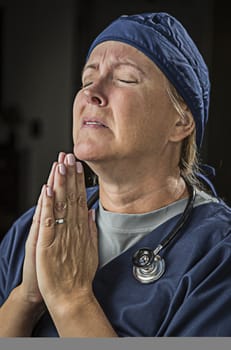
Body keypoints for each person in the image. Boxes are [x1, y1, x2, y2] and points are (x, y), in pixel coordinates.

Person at [0, 11, 231, 337]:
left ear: (180, 122)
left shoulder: (217, 254)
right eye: (87, 79)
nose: (92, 92)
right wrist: (27, 295)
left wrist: (72, 300)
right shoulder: (34, 229)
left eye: (124, 78)